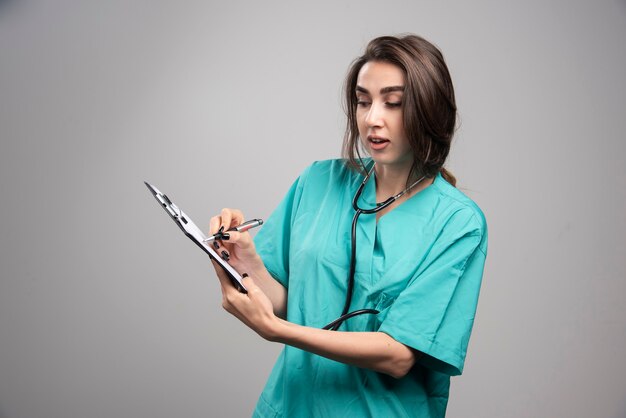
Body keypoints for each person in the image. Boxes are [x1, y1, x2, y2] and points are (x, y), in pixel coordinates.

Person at [208, 34, 488, 418]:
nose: (372, 118)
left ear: (430, 112)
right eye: (362, 100)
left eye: (393, 103)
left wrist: (277, 331)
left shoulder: (458, 224)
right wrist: (244, 262)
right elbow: (294, 303)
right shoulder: (318, 182)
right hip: (292, 406)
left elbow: (398, 355)